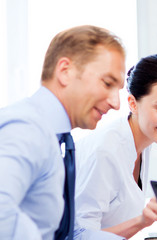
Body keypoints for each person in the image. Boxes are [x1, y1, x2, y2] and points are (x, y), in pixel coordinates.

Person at [0, 25, 126, 240]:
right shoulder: (27, 128)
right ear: (65, 71)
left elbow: (67, 234)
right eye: (107, 83)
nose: (116, 103)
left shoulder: (58, 140)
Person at [74, 54, 157, 239]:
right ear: (132, 104)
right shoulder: (106, 151)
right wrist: (141, 221)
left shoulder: (144, 140)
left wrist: (143, 221)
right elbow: (81, 237)